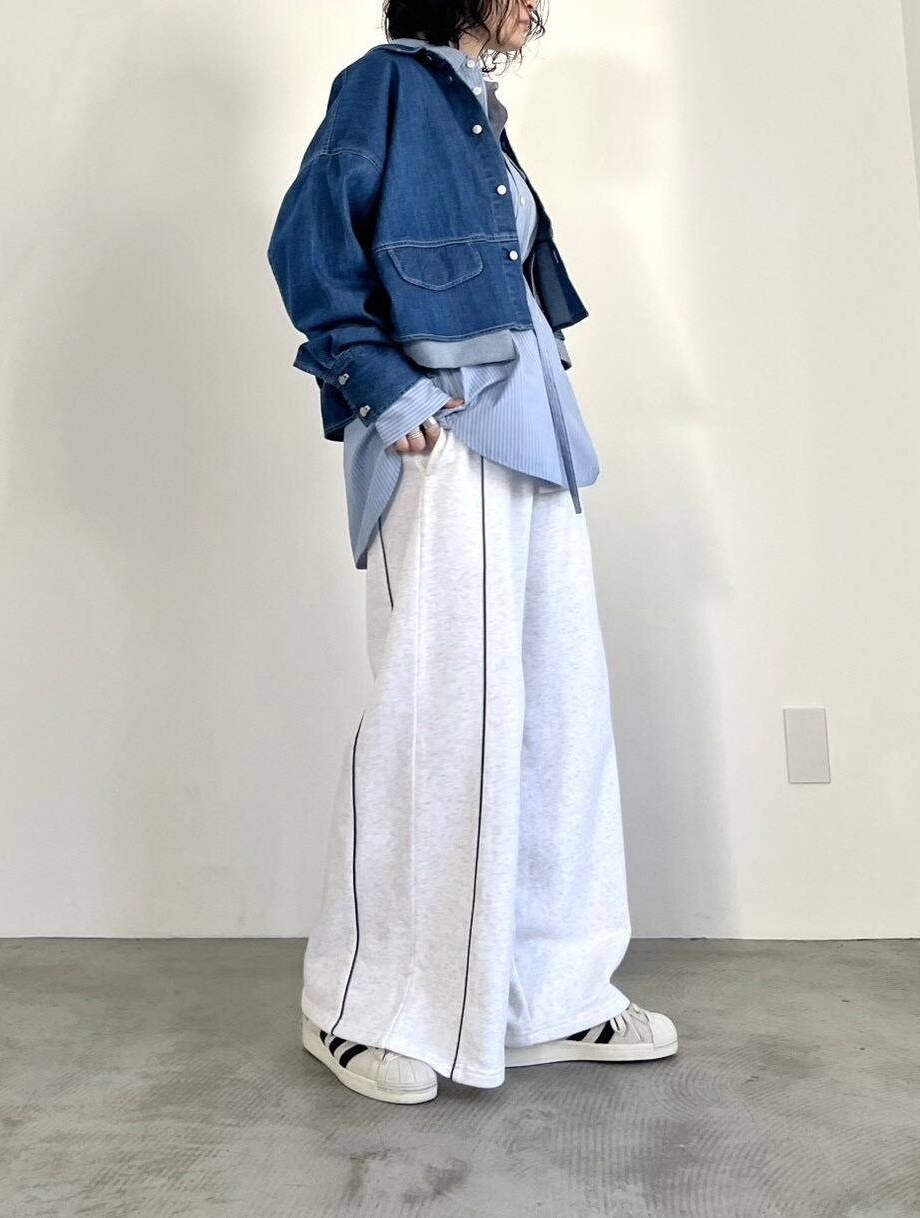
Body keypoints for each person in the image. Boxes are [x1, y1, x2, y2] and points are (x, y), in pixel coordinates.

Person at [266, 0, 678, 1104]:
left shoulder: (478, 111)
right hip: (444, 439)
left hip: (534, 434)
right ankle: (361, 1006)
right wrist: (380, 383)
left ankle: (547, 994)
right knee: (437, 714)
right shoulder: (387, 85)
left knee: (558, 716)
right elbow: (309, 241)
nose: (537, 9)